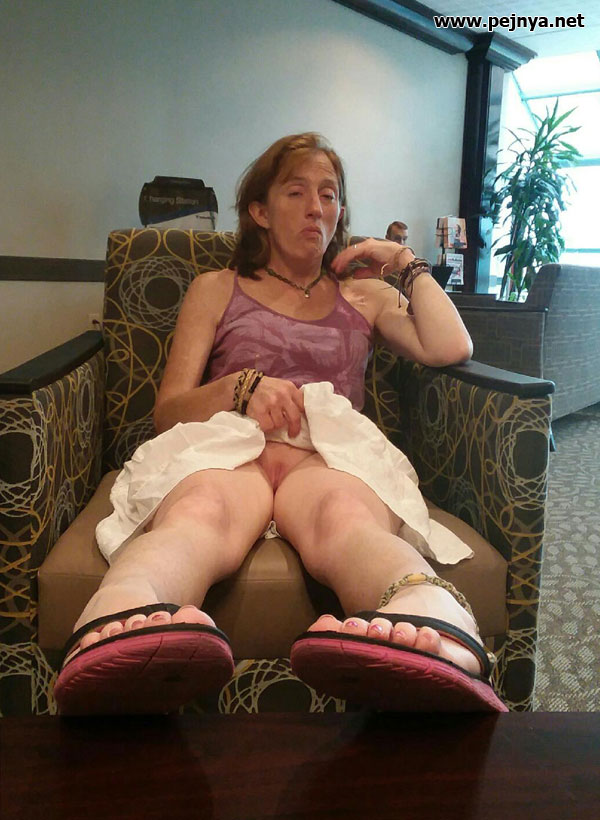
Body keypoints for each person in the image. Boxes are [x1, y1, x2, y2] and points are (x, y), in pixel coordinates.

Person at [53, 133, 506, 715]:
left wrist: (402, 262)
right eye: (296, 192)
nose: (317, 207)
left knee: (343, 518)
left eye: (329, 195)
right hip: (228, 448)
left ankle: (431, 618)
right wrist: (240, 387)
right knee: (199, 514)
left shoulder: (364, 296)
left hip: (327, 455)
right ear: (260, 211)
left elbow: (451, 346)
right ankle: (122, 611)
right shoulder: (216, 288)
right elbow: (168, 411)